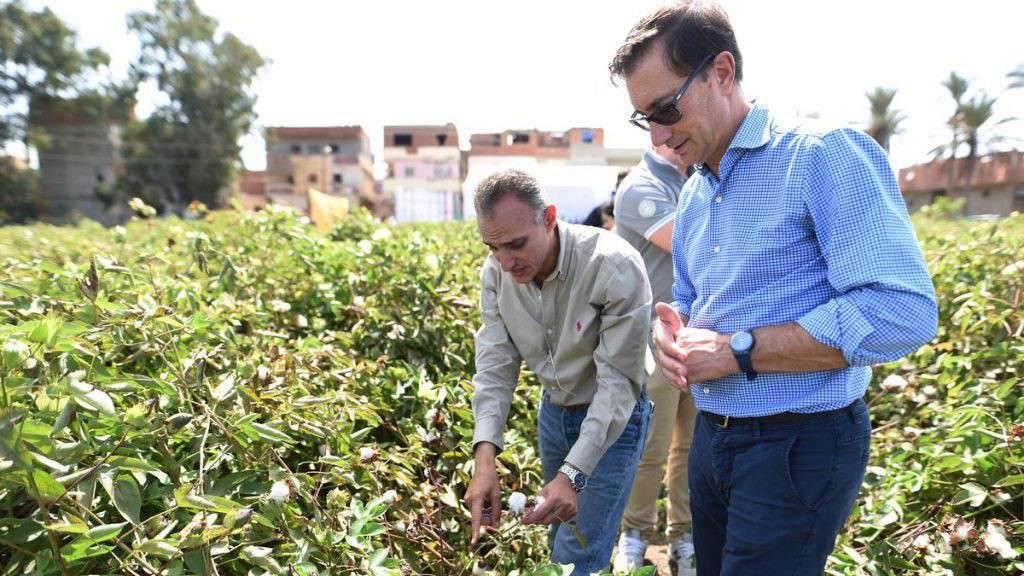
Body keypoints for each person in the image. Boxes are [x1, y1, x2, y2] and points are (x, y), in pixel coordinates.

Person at [609, 3, 938, 575]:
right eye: (646, 119)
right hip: (716, 442)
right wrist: (675, 335)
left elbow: (900, 312)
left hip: (796, 444)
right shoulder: (694, 194)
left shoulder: (821, 156)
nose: (660, 136)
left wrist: (739, 351)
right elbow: (690, 299)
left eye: (667, 109)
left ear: (723, 72)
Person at [463, 169, 654, 575]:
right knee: (559, 540)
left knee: (575, 557)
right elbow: (495, 365)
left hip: (614, 420)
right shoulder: (496, 272)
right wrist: (484, 458)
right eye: (493, 247)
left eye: (516, 244)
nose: (506, 261)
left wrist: (574, 471)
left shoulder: (614, 265)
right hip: (555, 412)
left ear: (549, 217)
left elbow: (617, 383)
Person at [611, 145, 697, 576]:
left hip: (701, 337)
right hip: (654, 338)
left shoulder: (696, 176)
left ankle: (683, 536)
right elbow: (693, 240)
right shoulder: (640, 187)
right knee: (651, 446)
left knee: (692, 448)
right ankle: (633, 535)